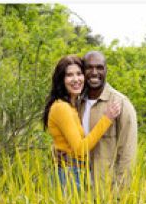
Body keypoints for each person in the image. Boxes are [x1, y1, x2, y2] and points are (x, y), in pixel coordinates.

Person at [43, 55, 121, 190]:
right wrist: (107, 119)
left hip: (74, 171)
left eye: (79, 74)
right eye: (69, 75)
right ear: (61, 80)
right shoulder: (62, 107)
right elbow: (80, 149)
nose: (76, 79)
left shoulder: (73, 106)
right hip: (69, 174)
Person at [81, 51, 137, 188]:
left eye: (99, 67)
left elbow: (127, 153)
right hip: (77, 187)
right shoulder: (76, 102)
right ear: (82, 71)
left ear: (106, 70)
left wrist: (119, 192)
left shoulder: (121, 104)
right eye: (89, 68)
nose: (94, 72)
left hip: (106, 188)